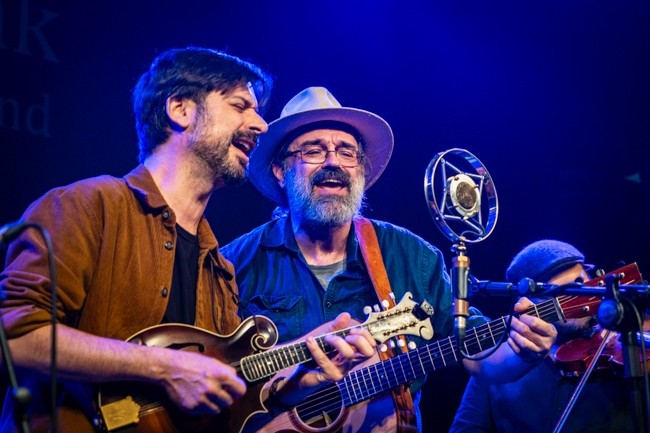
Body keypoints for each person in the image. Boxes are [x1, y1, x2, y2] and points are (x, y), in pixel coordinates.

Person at [0, 49, 375, 433]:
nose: (261, 125)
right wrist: (165, 367)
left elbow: (223, 393)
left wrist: (298, 381)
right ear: (180, 109)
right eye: (240, 106)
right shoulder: (87, 207)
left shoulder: (219, 268)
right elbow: (14, 338)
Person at [220, 87, 558, 431]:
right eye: (313, 151)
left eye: (347, 152)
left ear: (360, 171)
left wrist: (523, 352)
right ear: (280, 170)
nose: (333, 162)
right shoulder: (232, 264)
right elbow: (210, 377)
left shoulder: (413, 256)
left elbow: (477, 355)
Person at [450, 239, 646, 432]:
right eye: (558, 293)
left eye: (580, 284)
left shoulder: (625, 352)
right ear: (526, 305)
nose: (578, 298)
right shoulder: (496, 363)